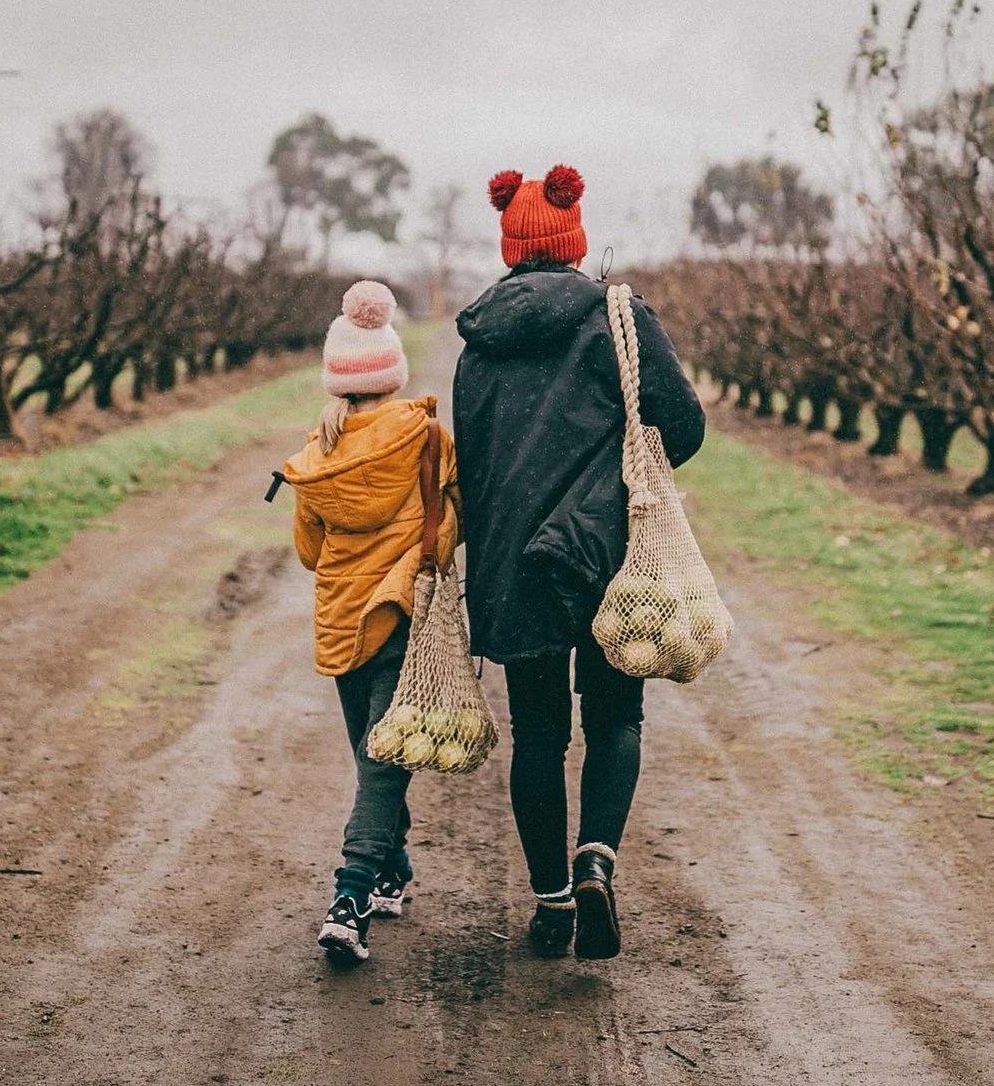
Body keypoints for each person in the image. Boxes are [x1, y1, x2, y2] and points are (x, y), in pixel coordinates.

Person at [453, 166, 704, 960]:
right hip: (604, 555)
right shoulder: (616, 321)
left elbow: (478, 463)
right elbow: (684, 426)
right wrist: (610, 480)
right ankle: (596, 860)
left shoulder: (478, 341)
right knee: (615, 718)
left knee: (537, 735)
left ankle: (552, 903)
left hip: (515, 565)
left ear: (509, 245)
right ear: (573, 238)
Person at [279, 280, 459, 968]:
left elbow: (309, 552)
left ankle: (371, 882)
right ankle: (369, 882)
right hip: (403, 615)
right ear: (391, 372)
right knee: (382, 761)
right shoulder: (427, 438)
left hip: (342, 618)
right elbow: (447, 533)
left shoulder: (318, 450)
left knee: (372, 753)